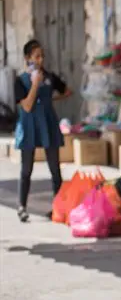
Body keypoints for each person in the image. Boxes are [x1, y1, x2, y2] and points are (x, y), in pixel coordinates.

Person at [14, 39, 72, 222]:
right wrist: (35, 84)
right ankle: (22, 206)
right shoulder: (20, 81)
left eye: (42, 56)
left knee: (55, 169)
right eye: (36, 56)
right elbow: (28, 106)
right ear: (27, 58)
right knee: (26, 169)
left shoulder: (49, 77)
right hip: (29, 125)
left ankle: (58, 207)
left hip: (47, 124)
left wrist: (50, 102)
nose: (40, 60)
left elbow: (67, 91)